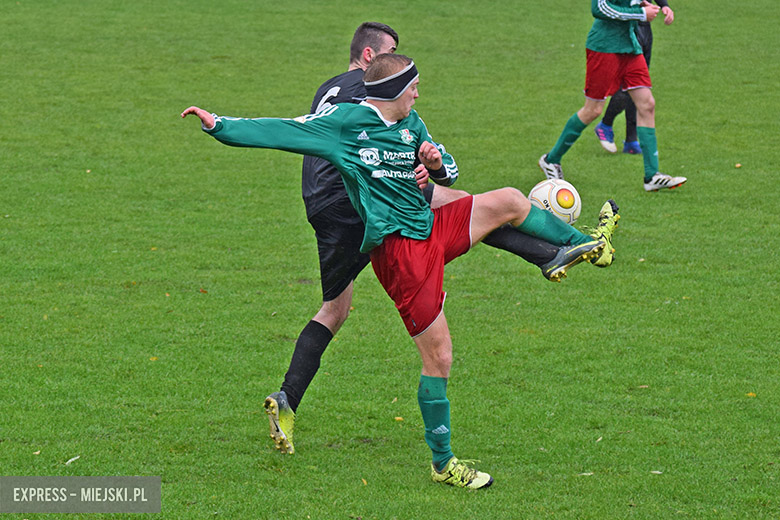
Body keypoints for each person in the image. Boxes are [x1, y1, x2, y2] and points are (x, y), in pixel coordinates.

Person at [181, 53, 620, 489]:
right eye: (412, 85)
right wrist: (218, 124)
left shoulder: (414, 125)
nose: (417, 91)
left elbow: (447, 174)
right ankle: (444, 464)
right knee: (440, 357)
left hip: (431, 230)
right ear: (394, 91)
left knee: (507, 199)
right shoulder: (346, 125)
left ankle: (578, 243)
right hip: (402, 258)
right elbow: (280, 130)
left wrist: (433, 165)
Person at [538, 0, 686, 192]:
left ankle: (652, 176)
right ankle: (551, 160)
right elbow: (599, 8)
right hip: (604, 47)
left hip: (630, 46)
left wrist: (662, 5)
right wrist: (641, 14)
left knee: (647, 104)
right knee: (593, 110)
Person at [593, 1, 674, 155]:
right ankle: (606, 124)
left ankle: (631, 140)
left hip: (645, 28)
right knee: (629, 85)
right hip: (627, 29)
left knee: (639, 86)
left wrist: (665, 5)